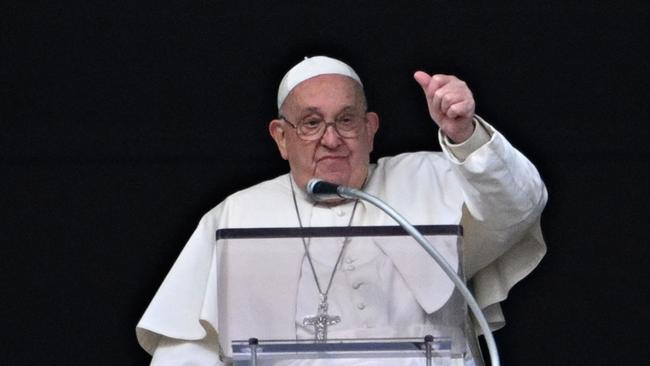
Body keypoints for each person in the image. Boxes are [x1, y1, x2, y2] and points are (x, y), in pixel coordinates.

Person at [136, 56, 547, 365]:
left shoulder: (429, 179)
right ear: (281, 137)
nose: (331, 139)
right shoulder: (236, 216)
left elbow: (518, 207)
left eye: (346, 120)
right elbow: (187, 346)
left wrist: (464, 134)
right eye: (311, 123)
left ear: (370, 128)